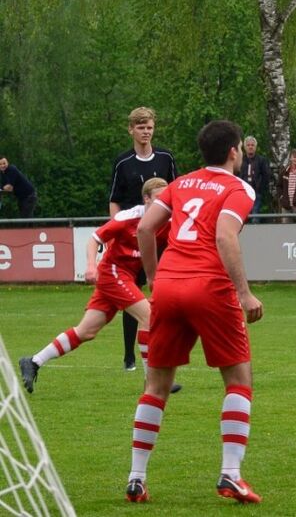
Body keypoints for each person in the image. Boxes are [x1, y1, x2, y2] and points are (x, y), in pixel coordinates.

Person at [127, 120, 263, 504]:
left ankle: (136, 479)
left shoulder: (181, 183)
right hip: (210, 287)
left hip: (169, 286)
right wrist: (244, 293)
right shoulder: (238, 188)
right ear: (234, 151)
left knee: (156, 386)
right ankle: (231, 474)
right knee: (238, 380)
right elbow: (224, 235)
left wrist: (156, 278)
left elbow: (145, 228)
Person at [18, 178, 169, 394]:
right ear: (146, 199)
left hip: (124, 276)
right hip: (112, 273)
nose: (164, 203)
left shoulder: (167, 220)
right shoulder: (128, 217)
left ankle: (33, 361)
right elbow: (94, 239)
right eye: (159, 198)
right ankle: (152, 381)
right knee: (149, 316)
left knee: (86, 331)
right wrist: (91, 266)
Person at [109, 107, 178, 372]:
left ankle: (164, 348)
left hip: (162, 236)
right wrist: (115, 232)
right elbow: (114, 200)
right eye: (140, 127)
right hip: (133, 237)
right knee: (133, 294)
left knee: (166, 290)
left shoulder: (166, 157)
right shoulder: (123, 162)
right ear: (131, 130)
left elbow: (177, 193)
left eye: (149, 127)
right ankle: (129, 355)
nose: (146, 132)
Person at [238, 136, 271, 222]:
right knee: (242, 215)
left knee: (255, 216)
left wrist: (260, 188)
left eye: (252, 145)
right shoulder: (240, 160)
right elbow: (236, 174)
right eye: (248, 145)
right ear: (245, 147)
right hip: (243, 192)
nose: (250, 147)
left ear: (255, 147)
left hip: (256, 191)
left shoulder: (261, 160)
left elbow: (266, 175)